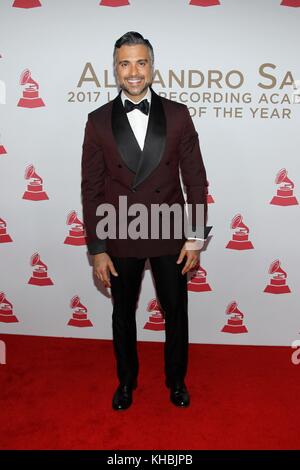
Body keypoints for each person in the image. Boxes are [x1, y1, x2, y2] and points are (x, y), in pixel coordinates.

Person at [81, 31, 209, 410]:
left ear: (152, 66)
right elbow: (90, 189)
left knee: (176, 312)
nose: (133, 72)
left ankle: (176, 380)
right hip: (120, 232)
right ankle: (126, 382)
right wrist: (97, 249)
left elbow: (196, 180)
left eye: (140, 62)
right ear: (115, 69)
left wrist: (196, 236)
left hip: (169, 230)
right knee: (123, 313)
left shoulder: (178, 114)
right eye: (125, 63)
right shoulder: (98, 121)